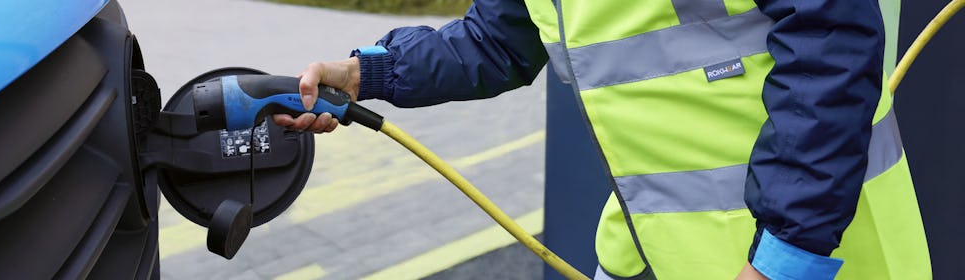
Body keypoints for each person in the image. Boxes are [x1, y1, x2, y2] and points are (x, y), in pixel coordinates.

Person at [274, 0, 931, 279]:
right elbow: (496, 38)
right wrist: (362, 73)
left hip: (808, 250)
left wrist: (782, 265)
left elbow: (829, 42)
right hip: (652, 247)